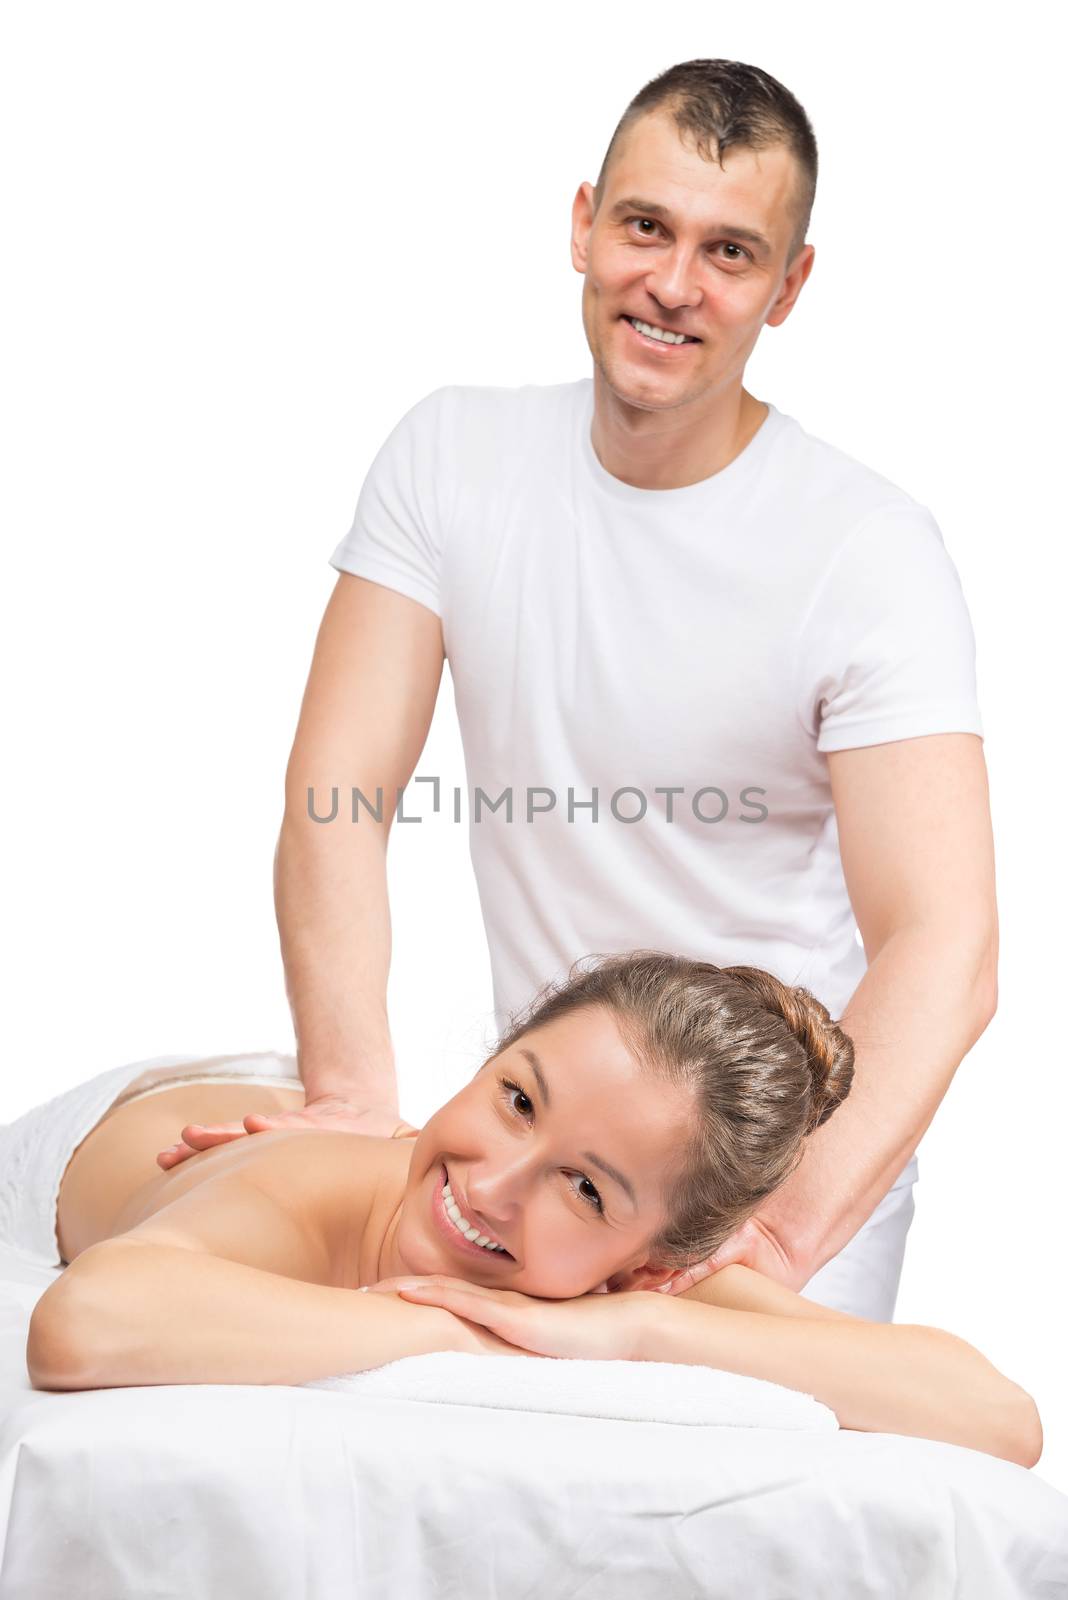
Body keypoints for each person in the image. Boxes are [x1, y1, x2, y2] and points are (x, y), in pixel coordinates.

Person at [157, 60, 998, 1324]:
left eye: (731, 251)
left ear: (790, 286)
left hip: (769, 1204)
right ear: (583, 224)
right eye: (645, 227)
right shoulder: (452, 459)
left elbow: (948, 943)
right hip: (551, 1181)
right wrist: (348, 1089)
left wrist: (774, 1237)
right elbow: (339, 799)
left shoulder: (868, 552)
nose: (672, 284)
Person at [26, 953, 1038, 1467]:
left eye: (586, 1187)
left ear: (649, 1261)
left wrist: (637, 1328)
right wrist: (468, 1328)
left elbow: (998, 1416)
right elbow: (84, 1323)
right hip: (140, 1118)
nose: (495, 1181)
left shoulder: (638, 1287)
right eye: (517, 1097)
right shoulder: (309, 1188)